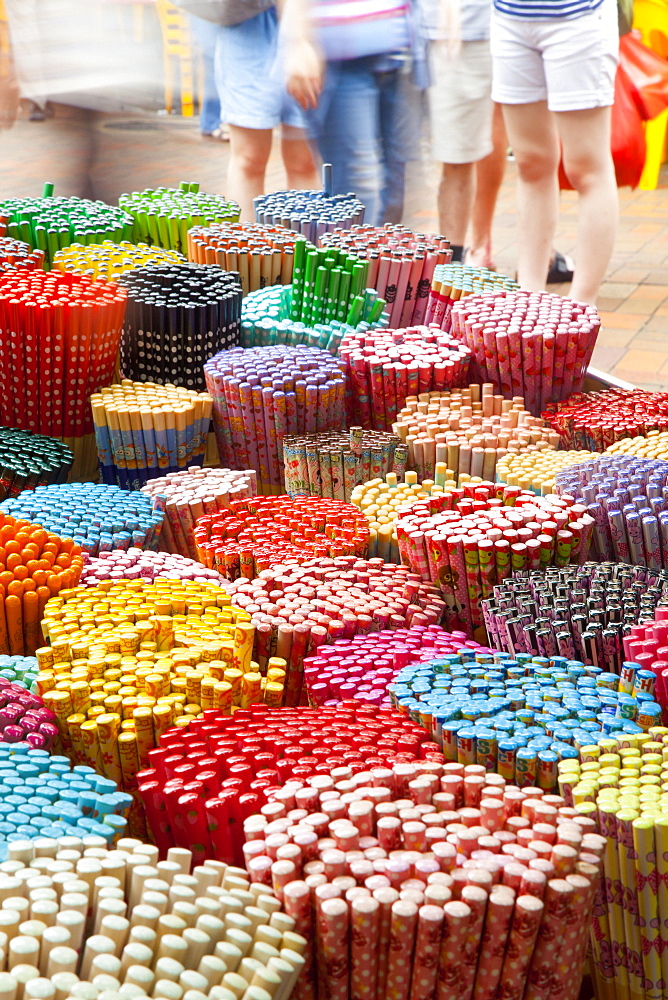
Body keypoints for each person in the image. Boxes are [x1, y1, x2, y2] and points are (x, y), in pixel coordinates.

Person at [490, 0, 618, 304]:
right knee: (530, 163)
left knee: (586, 169)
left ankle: (581, 306)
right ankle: (529, 298)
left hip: (578, 17)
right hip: (510, 17)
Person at [280, 0, 414, 225]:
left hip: (397, 44)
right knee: (358, 186)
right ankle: (349, 258)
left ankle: (371, 256)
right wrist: (298, 39)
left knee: (394, 189)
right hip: (339, 51)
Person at [215, 6, 319, 220]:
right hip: (248, 22)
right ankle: (246, 251)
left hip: (311, 22)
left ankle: (304, 250)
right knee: (248, 158)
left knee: (305, 161)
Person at [421, 0, 495, 262]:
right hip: (387, 28)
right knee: (384, 164)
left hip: (466, 29)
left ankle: (450, 269)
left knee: (458, 156)